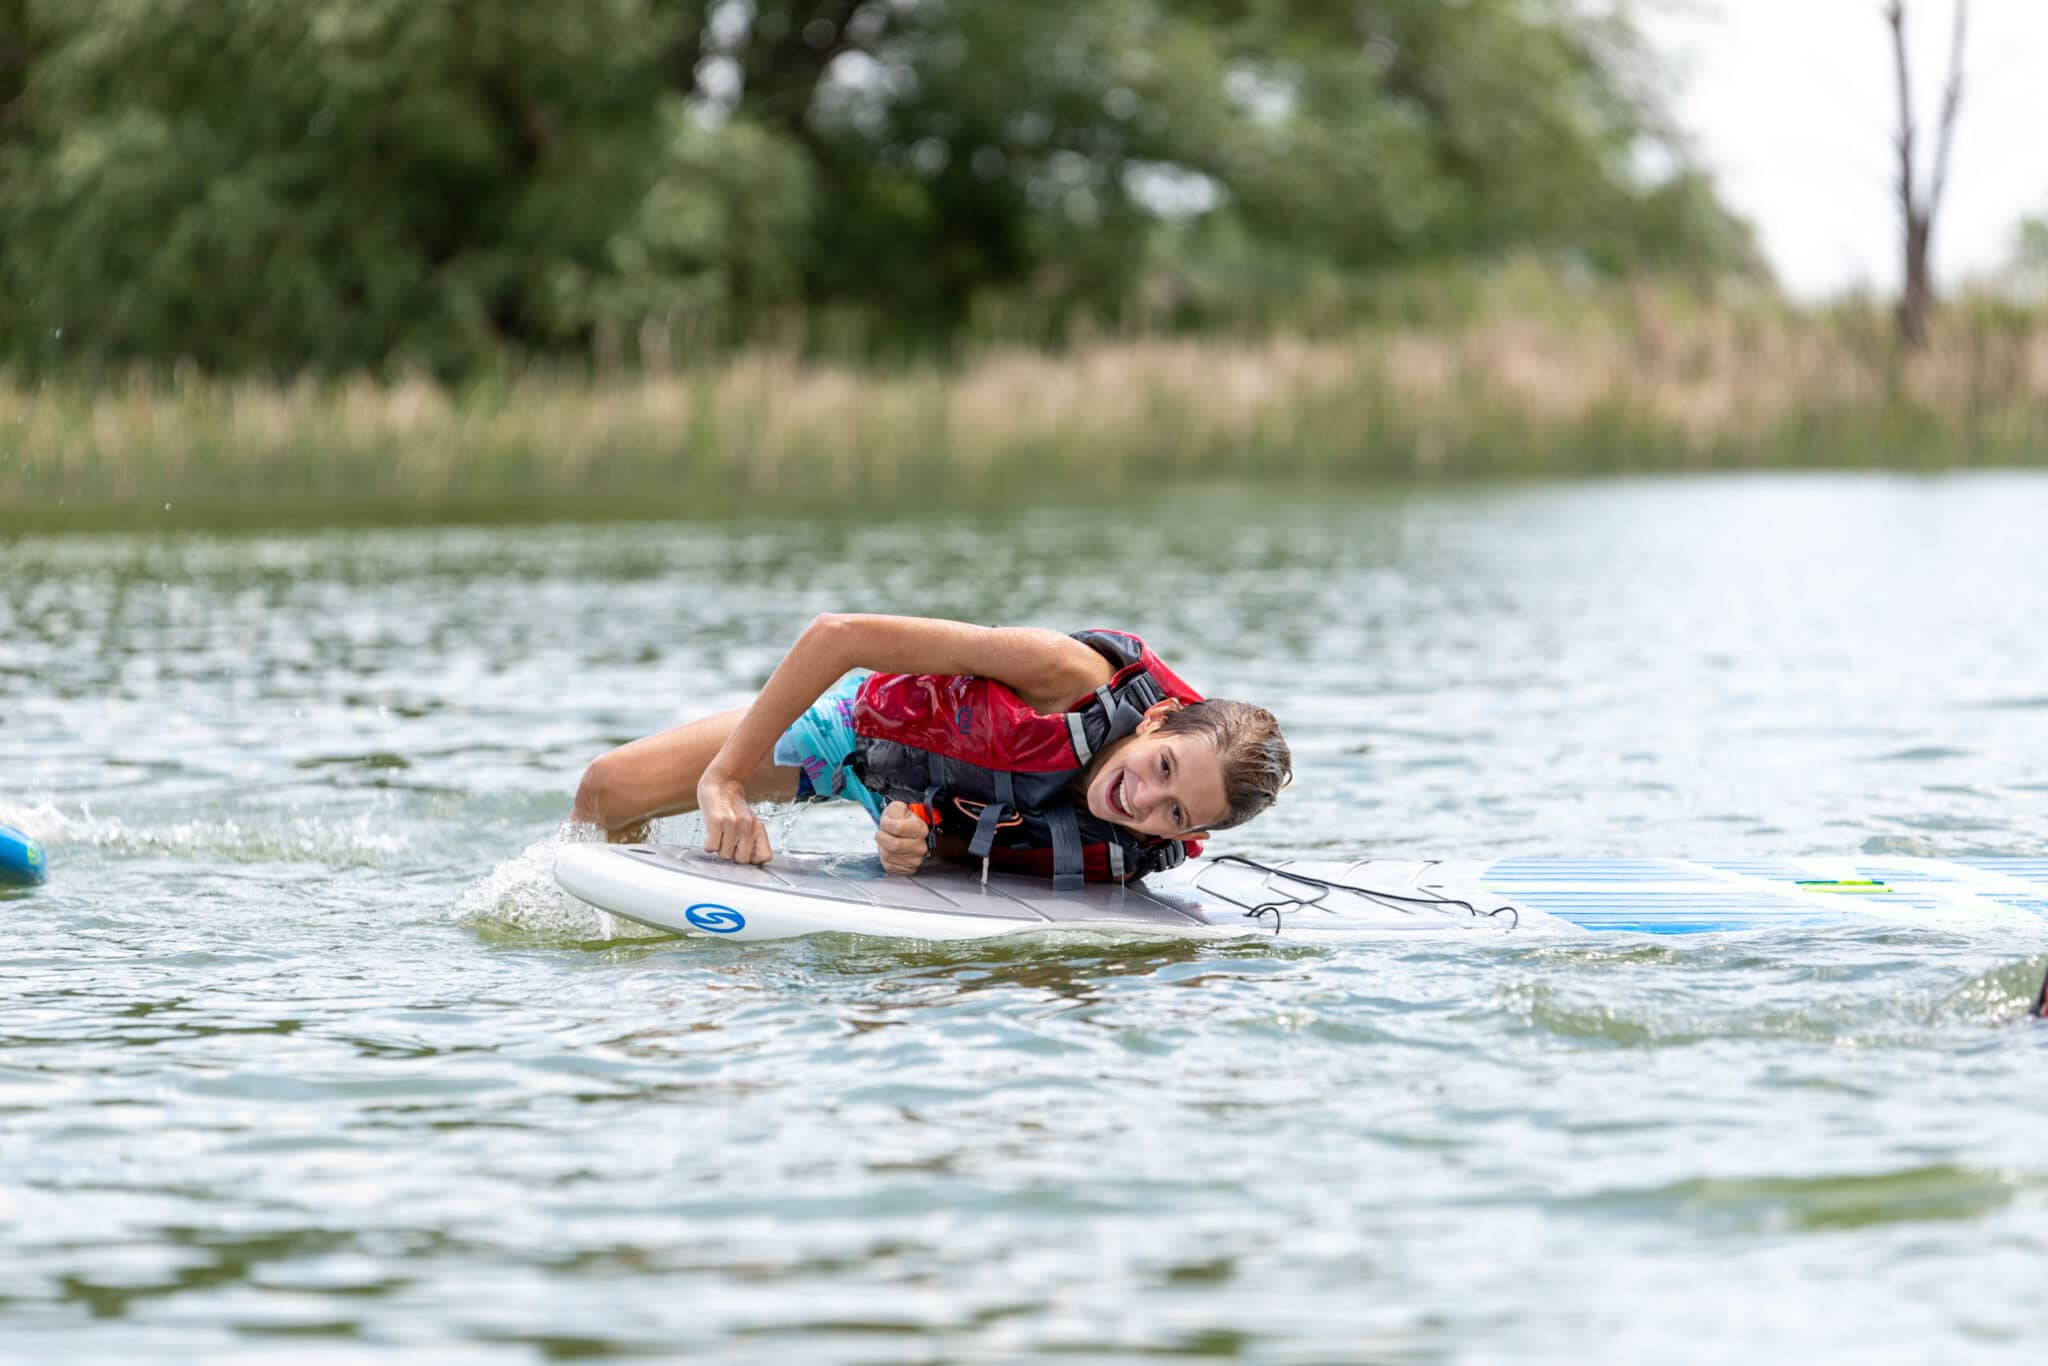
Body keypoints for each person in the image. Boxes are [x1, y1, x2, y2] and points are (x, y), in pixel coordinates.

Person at [571, 613, 1290, 887]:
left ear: (1188, 834)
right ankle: (621, 926)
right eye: (1163, 768)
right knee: (607, 788)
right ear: (1157, 720)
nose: (1143, 800)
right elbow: (838, 636)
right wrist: (724, 782)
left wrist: (916, 845)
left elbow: (986, 851)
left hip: (928, 804)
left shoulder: (1130, 856)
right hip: (859, 737)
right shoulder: (1061, 673)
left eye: (1174, 813)